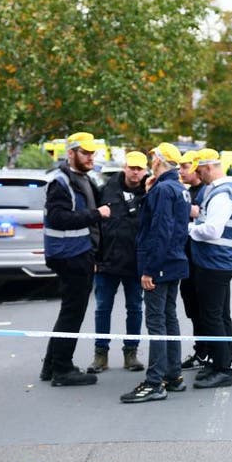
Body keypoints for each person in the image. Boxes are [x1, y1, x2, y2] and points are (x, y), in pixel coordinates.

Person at [121, 143, 191, 404]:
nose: (151, 162)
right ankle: (172, 376)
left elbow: (160, 231)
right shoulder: (178, 188)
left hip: (160, 264)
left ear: (161, 161)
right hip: (174, 262)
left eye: (153, 158)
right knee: (169, 319)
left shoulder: (163, 189)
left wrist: (150, 269)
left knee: (156, 322)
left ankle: (155, 382)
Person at [40, 132, 111, 386]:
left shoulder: (82, 178)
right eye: (85, 152)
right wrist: (96, 214)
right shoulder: (61, 182)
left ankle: (51, 366)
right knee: (73, 312)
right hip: (69, 253)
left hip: (78, 252)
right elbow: (59, 218)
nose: (90, 157)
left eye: (92, 152)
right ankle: (62, 369)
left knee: (68, 311)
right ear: (70, 153)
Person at [187, 148, 232, 389]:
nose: (199, 176)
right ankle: (220, 362)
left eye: (200, 171)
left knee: (212, 316)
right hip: (219, 262)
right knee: (220, 315)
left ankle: (222, 369)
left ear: (209, 167)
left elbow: (212, 230)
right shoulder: (223, 190)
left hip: (215, 262)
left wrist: (187, 229)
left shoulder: (223, 194)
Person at [88, 150, 149, 374]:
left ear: (145, 170)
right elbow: (93, 223)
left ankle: (131, 353)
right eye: (132, 167)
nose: (135, 172)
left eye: (139, 168)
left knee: (134, 309)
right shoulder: (106, 189)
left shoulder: (149, 192)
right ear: (125, 167)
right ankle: (100, 355)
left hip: (135, 263)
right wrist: (94, 257)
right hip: (107, 261)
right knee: (103, 309)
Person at [178, 151, 214, 376]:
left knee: (205, 310)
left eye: (185, 167)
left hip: (201, 261)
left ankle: (209, 352)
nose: (181, 171)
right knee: (192, 309)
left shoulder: (205, 191)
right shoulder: (187, 190)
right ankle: (200, 350)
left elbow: (203, 217)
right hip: (187, 260)